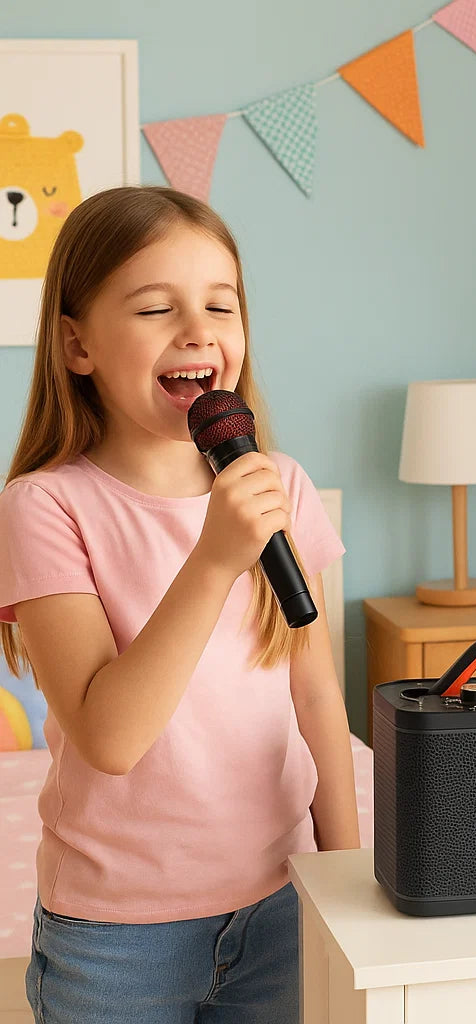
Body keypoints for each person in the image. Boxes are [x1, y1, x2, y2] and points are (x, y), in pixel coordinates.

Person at [0, 185, 359, 1024]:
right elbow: (110, 738)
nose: (197, 331)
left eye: (220, 306)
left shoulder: (284, 486)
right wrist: (212, 561)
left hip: (280, 907)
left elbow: (316, 698)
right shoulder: (44, 506)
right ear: (76, 343)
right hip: (116, 940)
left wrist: (345, 882)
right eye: (157, 307)